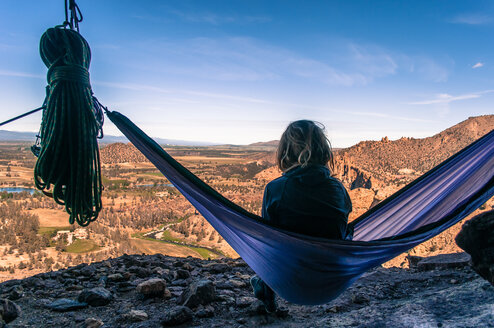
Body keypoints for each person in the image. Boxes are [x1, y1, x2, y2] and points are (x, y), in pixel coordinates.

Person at [250, 119, 353, 313]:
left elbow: (269, 238)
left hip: (289, 280)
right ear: (323, 149)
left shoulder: (275, 189)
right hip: (331, 278)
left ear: (285, 152)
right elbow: (342, 222)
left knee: (268, 243)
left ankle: (266, 289)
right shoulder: (338, 189)